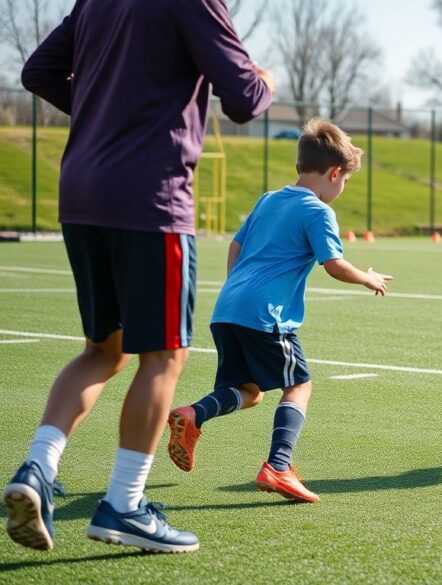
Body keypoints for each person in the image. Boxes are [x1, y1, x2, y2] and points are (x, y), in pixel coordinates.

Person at [4, 0, 274, 554]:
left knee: (103, 350)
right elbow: (244, 98)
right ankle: (124, 506)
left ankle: (37, 469)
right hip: (151, 199)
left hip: (81, 190)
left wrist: (106, 110)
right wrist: (265, 79)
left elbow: (37, 72)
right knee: (165, 356)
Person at [166, 118, 392, 504]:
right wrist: (366, 278)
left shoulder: (269, 199)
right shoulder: (318, 211)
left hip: (228, 307)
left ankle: (192, 415)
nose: (342, 189)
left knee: (248, 392)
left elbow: (235, 247)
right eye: (345, 181)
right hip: (266, 314)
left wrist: (238, 287)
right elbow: (334, 264)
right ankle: (279, 466)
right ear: (334, 173)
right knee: (299, 384)